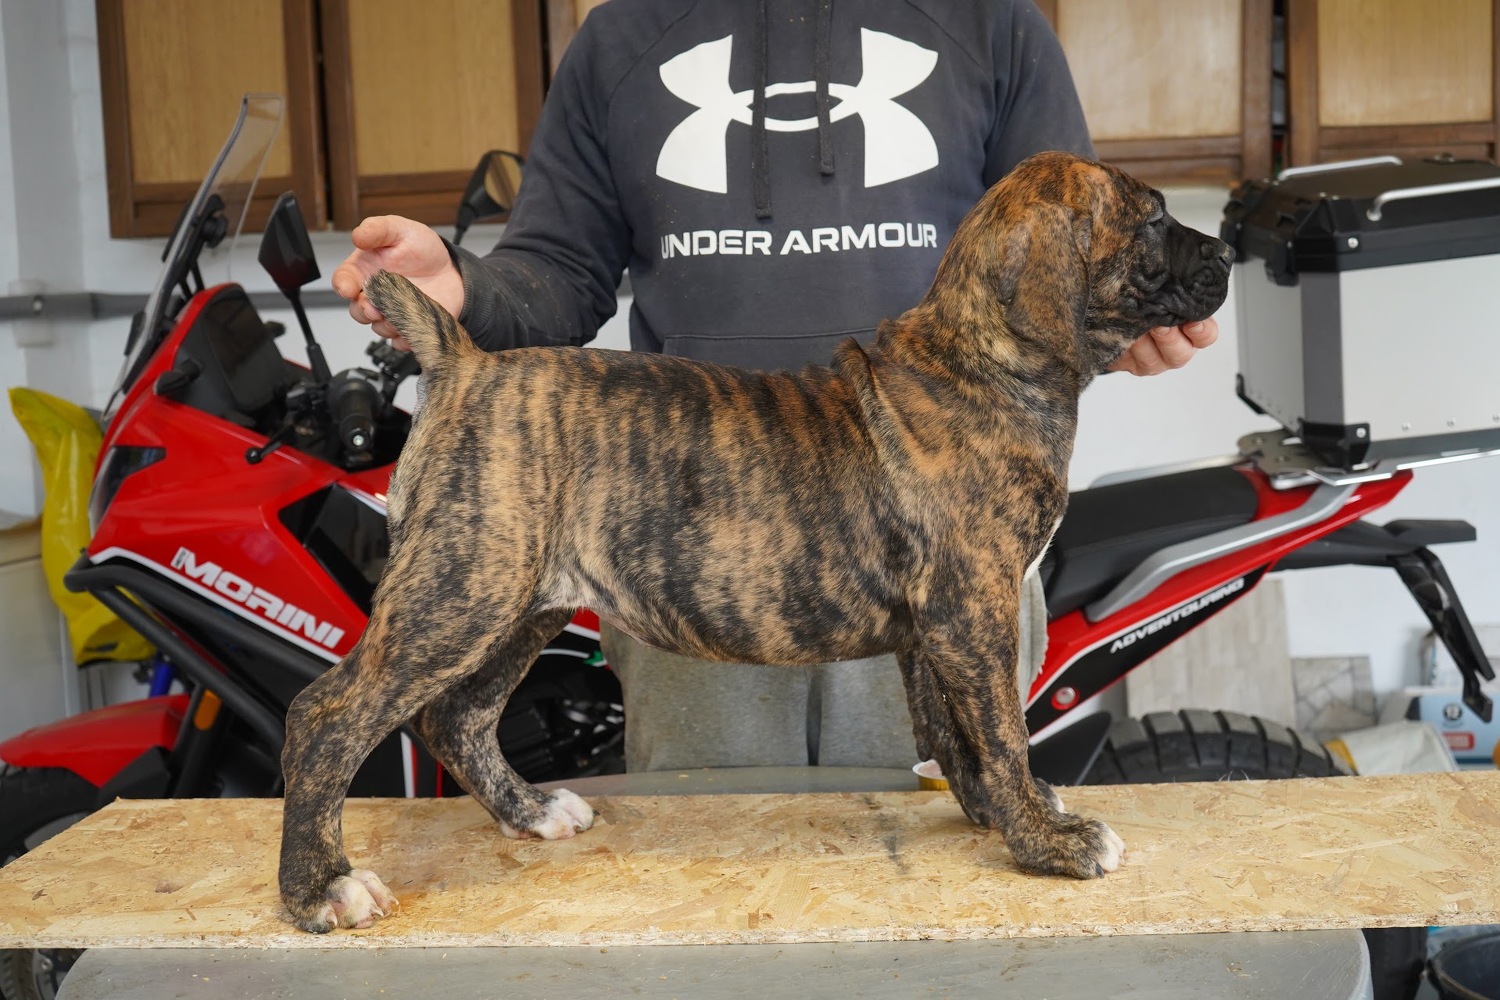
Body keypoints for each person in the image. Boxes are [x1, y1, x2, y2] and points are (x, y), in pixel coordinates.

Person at [331, 0, 1219, 773]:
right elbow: (560, 271)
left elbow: (1078, 259)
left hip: (937, 538)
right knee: (717, 875)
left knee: (948, 872)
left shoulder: (993, 22)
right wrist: (464, 288)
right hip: (692, 551)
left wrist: (1120, 337)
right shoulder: (622, 36)